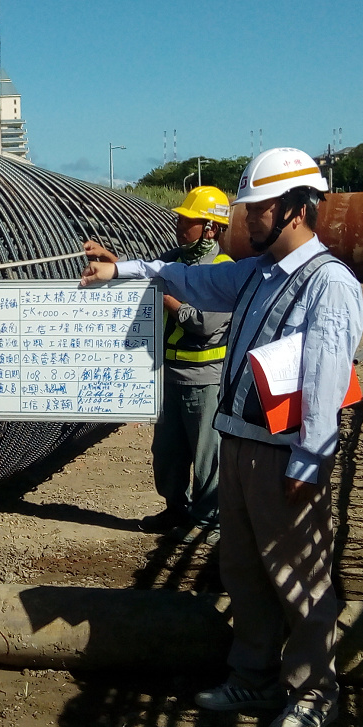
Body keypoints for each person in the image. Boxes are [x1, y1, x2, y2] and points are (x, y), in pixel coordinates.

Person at [80, 148, 363, 727]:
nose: (246, 220)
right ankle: (254, 675)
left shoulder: (328, 283)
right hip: (236, 442)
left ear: (293, 209)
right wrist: (121, 269)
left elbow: (326, 378)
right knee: (243, 570)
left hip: (282, 455)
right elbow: (191, 278)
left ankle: (315, 692)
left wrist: (310, 461)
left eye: (256, 209)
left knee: (298, 574)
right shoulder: (257, 273)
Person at [130, 186, 234, 543]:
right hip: (170, 377)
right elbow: (144, 275)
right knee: (167, 453)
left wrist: (169, 297)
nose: (178, 225)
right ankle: (176, 508)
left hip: (205, 381)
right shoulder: (174, 262)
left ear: (210, 228)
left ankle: (208, 523)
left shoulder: (224, 270)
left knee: (206, 455)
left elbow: (203, 323)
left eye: (185, 220)